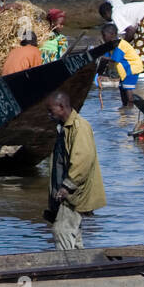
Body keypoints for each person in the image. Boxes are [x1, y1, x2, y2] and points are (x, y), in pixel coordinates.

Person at [45, 88, 106, 250]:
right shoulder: (65, 129)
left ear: (62, 107)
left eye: (51, 111)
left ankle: (67, 269)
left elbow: (82, 160)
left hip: (75, 192)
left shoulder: (79, 127)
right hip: (66, 192)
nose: (49, 115)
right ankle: (80, 265)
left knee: (62, 230)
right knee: (74, 234)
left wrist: (67, 186)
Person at [99, 0, 144, 70]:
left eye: (104, 17)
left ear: (105, 14)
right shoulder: (119, 10)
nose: (106, 20)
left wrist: (122, 47)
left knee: (141, 47)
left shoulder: (115, 14)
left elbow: (131, 31)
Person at [101, 23, 143, 106]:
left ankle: (130, 106)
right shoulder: (110, 45)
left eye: (104, 35)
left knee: (128, 89)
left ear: (112, 35)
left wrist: (101, 57)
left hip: (131, 68)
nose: (103, 38)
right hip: (124, 70)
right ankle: (124, 106)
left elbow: (114, 59)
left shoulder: (120, 44)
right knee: (121, 88)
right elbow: (105, 57)